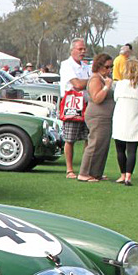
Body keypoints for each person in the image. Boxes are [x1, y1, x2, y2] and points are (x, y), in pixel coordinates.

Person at [77, 53, 114, 182]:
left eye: (111, 67)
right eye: (107, 67)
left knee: (103, 145)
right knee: (94, 144)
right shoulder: (95, 79)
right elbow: (97, 98)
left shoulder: (104, 78)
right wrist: (107, 87)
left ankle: (96, 172)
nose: (109, 70)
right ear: (99, 66)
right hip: (97, 116)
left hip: (105, 117)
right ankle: (84, 173)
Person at [112, 59, 138, 186]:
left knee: (120, 150)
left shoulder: (120, 85)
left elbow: (115, 98)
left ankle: (122, 175)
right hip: (136, 120)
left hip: (120, 120)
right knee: (132, 151)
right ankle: (128, 176)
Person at [59, 39, 91, 178]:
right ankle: (69, 169)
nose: (83, 52)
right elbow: (77, 84)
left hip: (87, 104)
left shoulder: (86, 66)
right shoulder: (66, 65)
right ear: (72, 50)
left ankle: (85, 169)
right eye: (80, 49)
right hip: (72, 104)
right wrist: (90, 81)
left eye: (84, 49)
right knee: (70, 138)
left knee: (88, 138)